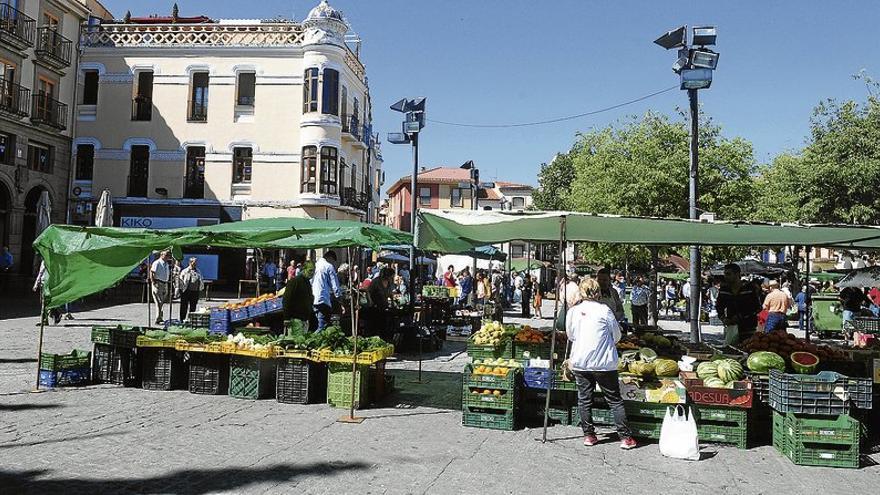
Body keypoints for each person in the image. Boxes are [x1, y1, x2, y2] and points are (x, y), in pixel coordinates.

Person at [566, 277, 637, 450]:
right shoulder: (604, 310)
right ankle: (625, 438)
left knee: (584, 399)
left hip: (581, 362)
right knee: (614, 400)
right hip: (604, 363)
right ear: (597, 292)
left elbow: (570, 335)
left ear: (581, 292)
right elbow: (617, 336)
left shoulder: (573, 312)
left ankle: (589, 435)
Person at [716, 263, 762, 344]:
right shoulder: (724, 290)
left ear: (737, 274)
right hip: (732, 328)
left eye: (728, 274)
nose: (726, 277)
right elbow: (719, 306)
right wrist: (723, 318)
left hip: (748, 328)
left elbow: (757, 307)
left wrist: (741, 316)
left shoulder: (749, 288)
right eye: (725, 274)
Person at [312, 250, 342, 332]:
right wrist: (339, 298)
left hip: (313, 298)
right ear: (330, 258)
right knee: (322, 326)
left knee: (316, 324)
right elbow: (335, 285)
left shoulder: (315, 265)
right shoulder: (328, 266)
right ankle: (310, 341)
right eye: (333, 261)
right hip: (323, 299)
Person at [283, 261, 317, 332]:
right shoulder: (295, 281)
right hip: (295, 320)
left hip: (304, 320)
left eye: (314, 271)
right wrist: (286, 318)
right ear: (304, 269)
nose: (312, 273)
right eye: (310, 270)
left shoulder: (307, 282)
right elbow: (286, 299)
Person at [33, 260, 62, 325]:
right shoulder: (43, 261)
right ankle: (45, 320)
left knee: (48, 302)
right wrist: (36, 284)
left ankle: (56, 314)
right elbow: (40, 272)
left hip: (50, 284)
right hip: (43, 284)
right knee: (43, 302)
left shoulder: (53, 261)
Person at [150, 251, 172, 325]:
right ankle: (158, 318)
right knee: (158, 301)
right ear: (161, 255)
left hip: (165, 283)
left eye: (168, 255)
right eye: (166, 255)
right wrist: (154, 282)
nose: (167, 257)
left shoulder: (166, 264)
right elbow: (152, 272)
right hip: (158, 283)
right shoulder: (157, 263)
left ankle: (160, 317)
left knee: (162, 302)